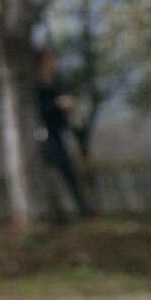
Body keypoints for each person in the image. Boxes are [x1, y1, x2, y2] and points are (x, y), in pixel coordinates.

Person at [35, 49, 94, 218]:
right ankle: (65, 212)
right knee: (58, 173)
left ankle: (82, 210)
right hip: (46, 137)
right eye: (49, 60)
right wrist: (58, 104)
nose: (53, 64)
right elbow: (40, 110)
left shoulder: (52, 83)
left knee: (69, 172)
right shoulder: (36, 85)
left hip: (57, 134)